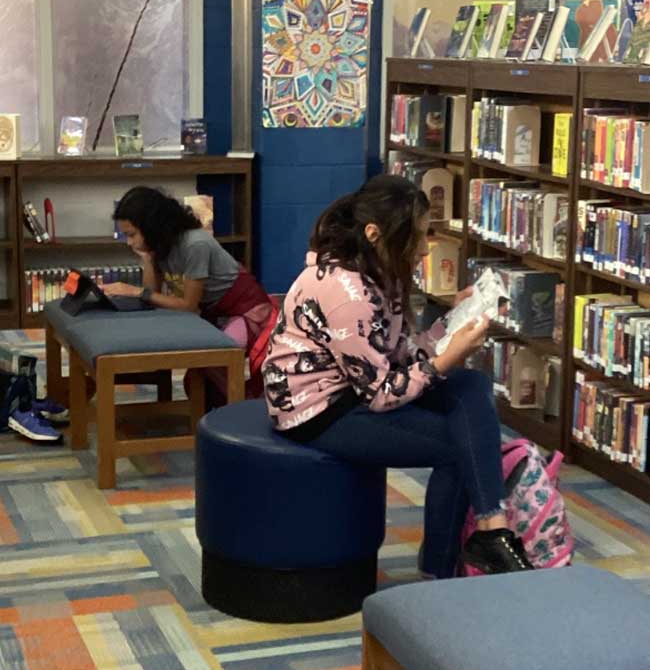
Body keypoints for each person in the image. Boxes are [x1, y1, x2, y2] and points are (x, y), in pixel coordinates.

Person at [262, 174, 534, 579]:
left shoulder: (376, 271)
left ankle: (492, 528)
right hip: (318, 411)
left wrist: (450, 324)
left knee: (471, 386)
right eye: (417, 238)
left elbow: (399, 352)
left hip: (356, 389)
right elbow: (382, 394)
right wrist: (448, 358)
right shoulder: (345, 293)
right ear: (375, 234)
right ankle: (441, 571)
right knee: (458, 447)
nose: (424, 249)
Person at [105, 187, 277, 404]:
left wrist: (137, 291)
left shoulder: (195, 243)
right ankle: (230, 406)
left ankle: (244, 409)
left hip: (247, 313)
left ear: (151, 227)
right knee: (199, 379)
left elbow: (187, 305)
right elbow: (153, 296)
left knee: (213, 356)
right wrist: (148, 260)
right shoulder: (160, 245)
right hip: (215, 313)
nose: (129, 243)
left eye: (132, 235)